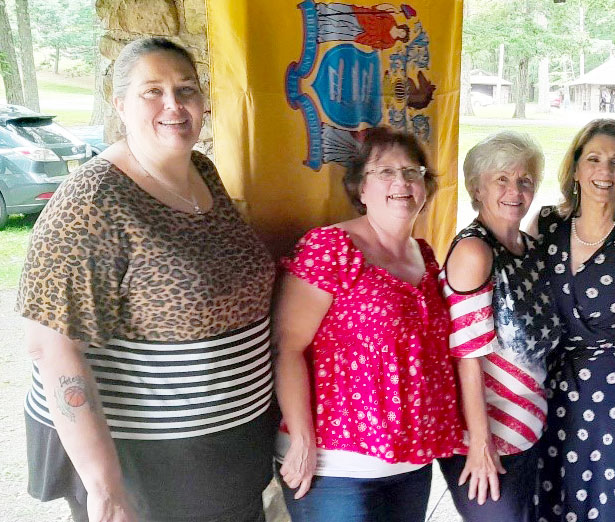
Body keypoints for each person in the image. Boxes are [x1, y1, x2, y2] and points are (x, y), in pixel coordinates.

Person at [19, 37, 276, 522]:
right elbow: (51, 347)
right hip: (147, 466)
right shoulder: (92, 201)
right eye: (151, 91)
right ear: (119, 105)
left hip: (227, 452)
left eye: (186, 89)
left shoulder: (201, 170)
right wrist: (107, 489)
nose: (174, 105)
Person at [273, 126, 464, 521]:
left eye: (414, 172)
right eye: (386, 172)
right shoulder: (330, 247)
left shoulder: (425, 256)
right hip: (335, 468)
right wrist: (302, 438)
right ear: (361, 188)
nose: (402, 182)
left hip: (408, 466)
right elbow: (287, 346)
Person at [528, 119, 615, 522]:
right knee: (550, 493)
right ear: (577, 167)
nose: (604, 171)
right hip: (549, 388)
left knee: (606, 498)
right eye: (594, 159)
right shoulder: (545, 225)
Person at [438, 130, 560, 522]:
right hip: (485, 440)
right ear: (477, 188)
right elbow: (466, 357)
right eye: (501, 180)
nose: (515, 190)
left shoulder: (531, 247)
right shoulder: (476, 251)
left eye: (525, 180)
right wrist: (480, 444)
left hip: (529, 430)